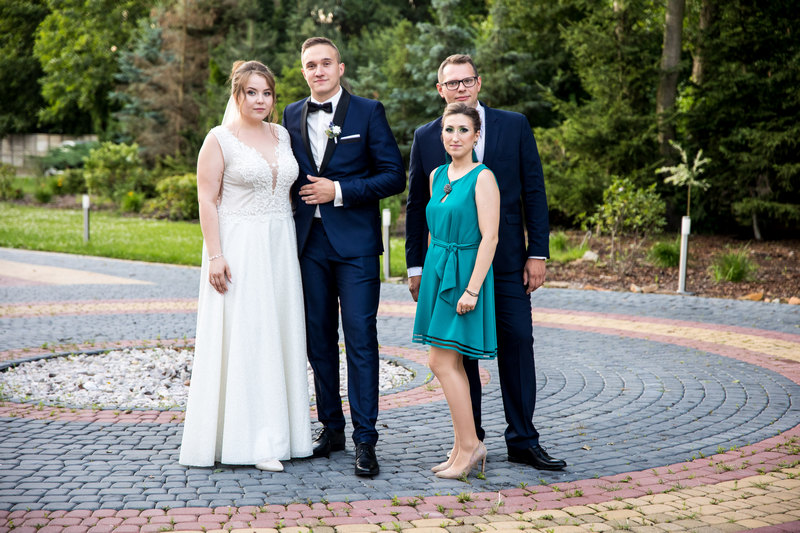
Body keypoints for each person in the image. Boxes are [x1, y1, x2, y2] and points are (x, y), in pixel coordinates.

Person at [405, 54, 567, 471]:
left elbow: (534, 190)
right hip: (452, 266)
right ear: (440, 90)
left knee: (518, 341)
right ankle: (469, 440)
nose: (460, 88)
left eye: (466, 81)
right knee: (460, 353)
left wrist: (537, 252)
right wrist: (416, 267)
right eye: (451, 83)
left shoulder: (514, 125)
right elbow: (417, 205)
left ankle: (523, 440)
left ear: (478, 83)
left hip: (508, 259)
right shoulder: (428, 136)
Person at [179, 60, 313, 472]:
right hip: (239, 248)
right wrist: (215, 256)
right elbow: (206, 200)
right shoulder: (219, 139)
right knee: (249, 337)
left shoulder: (282, 134)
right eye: (251, 92)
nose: (260, 100)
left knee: (279, 333)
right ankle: (252, 440)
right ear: (236, 95)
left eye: (267, 93)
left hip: (280, 247)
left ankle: (286, 434)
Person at [282, 37, 405, 477]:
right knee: (317, 340)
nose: (318, 71)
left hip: (356, 247)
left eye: (326, 63)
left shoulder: (368, 112)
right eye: (310, 65)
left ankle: (365, 440)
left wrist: (338, 190)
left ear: (340, 68)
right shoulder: (290, 115)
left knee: (360, 339)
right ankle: (331, 429)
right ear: (303, 71)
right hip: (308, 245)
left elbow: (394, 176)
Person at [412, 103, 499, 479]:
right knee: (450, 363)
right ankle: (462, 445)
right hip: (438, 271)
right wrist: (429, 276)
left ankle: (471, 445)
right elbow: (433, 229)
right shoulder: (436, 174)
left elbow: (490, 238)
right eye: (449, 130)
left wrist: (473, 290)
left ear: (476, 136)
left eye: (463, 130)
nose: (455, 137)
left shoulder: (483, 178)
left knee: (442, 362)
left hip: (465, 275)